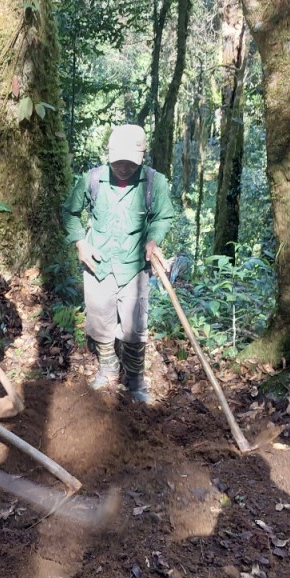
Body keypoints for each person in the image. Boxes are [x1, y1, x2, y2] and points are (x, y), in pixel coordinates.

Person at [61, 124, 175, 403]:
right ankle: (108, 369)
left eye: (129, 163)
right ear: (109, 156)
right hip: (98, 264)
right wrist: (80, 243)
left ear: (142, 156)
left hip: (135, 266)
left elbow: (163, 217)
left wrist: (153, 240)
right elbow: (70, 213)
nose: (123, 168)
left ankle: (135, 379)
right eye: (118, 162)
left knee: (135, 326)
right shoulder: (92, 180)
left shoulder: (153, 182)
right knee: (100, 322)